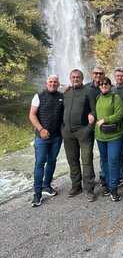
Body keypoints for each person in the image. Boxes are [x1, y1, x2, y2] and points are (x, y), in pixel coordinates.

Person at [29, 75, 64, 207]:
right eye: (50, 81)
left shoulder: (62, 96)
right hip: (41, 137)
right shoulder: (38, 96)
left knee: (52, 161)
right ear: (46, 83)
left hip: (56, 137)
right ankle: (37, 194)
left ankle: (46, 186)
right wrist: (41, 129)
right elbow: (32, 114)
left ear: (58, 83)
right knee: (39, 163)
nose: (53, 84)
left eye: (55, 82)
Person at [62, 69, 96, 202]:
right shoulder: (66, 93)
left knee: (87, 161)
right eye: (73, 77)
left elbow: (94, 110)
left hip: (83, 132)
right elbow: (61, 112)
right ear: (70, 78)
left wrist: (89, 128)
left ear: (82, 78)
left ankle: (89, 189)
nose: (75, 79)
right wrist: (62, 129)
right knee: (72, 160)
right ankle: (76, 186)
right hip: (68, 133)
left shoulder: (88, 91)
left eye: (78, 77)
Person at [95, 77, 123, 202]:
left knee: (113, 160)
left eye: (106, 83)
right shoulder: (98, 98)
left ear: (110, 85)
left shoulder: (115, 98)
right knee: (104, 160)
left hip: (114, 135)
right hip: (100, 136)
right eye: (101, 84)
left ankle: (113, 188)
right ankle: (107, 184)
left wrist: (105, 120)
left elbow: (119, 114)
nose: (103, 85)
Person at [85, 65, 106, 186]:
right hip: (88, 125)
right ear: (92, 74)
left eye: (100, 73)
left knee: (104, 153)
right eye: (96, 73)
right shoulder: (86, 87)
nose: (98, 75)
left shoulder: (107, 86)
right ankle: (90, 180)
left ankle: (104, 176)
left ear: (104, 75)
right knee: (88, 153)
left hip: (103, 125)